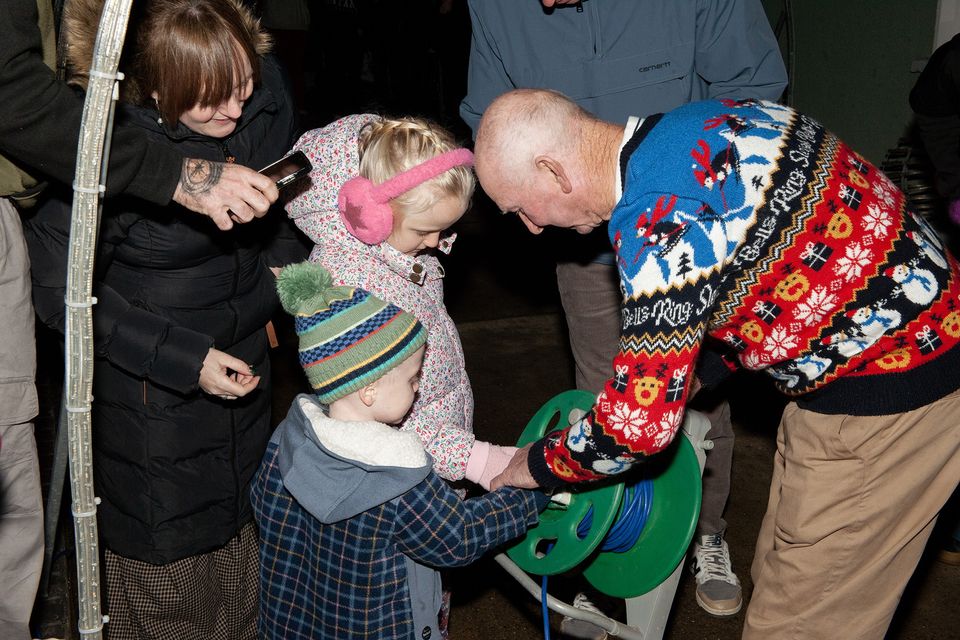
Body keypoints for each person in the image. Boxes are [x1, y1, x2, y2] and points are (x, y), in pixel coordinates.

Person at [475, 88, 960, 639]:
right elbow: (771, 263)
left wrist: (528, 466)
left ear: (552, 172)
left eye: (520, 208)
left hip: (892, 395)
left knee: (803, 622)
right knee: (783, 567)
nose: (532, 228)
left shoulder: (657, 223)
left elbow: (634, 430)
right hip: (923, 330)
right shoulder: (718, 116)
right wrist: (693, 376)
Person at [459, 0, 788, 620]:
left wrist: (535, 467)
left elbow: (755, 90)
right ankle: (607, 532)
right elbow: (488, 117)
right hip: (582, 228)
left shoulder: (677, 219)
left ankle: (702, 531)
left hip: (691, 214)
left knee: (693, 391)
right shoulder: (495, 7)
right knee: (610, 382)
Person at [0, 0, 283, 637]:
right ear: (155, 85)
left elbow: (279, 229)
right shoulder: (107, 158)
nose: (234, 111)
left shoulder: (254, 122)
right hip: (151, 424)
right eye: (212, 98)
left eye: (243, 89)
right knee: (168, 605)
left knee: (240, 596)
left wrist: (291, 294)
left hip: (242, 413)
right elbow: (63, 297)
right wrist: (186, 360)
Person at [251, 261, 549, 640]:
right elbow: (459, 538)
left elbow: (261, 503)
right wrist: (528, 496)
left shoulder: (285, 442)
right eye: (412, 378)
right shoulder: (397, 478)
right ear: (369, 391)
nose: (419, 388)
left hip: (290, 626)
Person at [286, 114, 516, 488]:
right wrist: (473, 459)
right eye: (425, 230)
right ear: (368, 214)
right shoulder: (351, 287)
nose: (433, 243)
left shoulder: (399, 255)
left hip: (440, 440)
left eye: (444, 229)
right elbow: (376, 411)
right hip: (400, 471)